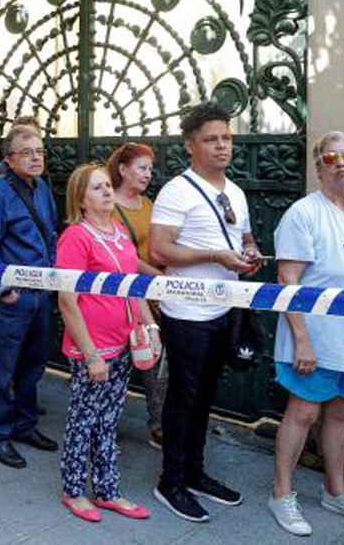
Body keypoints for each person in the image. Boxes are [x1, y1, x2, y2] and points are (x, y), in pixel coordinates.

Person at [267, 132, 344, 536]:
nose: (341, 163)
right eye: (331, 157)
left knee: (342, 413)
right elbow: (287, 279)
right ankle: (281, 494)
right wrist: (301, 339)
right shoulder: (304, 213)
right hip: (316, 337)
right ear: (319, 165)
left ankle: (335, 493)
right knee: (303, 412)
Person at [149, 102, 264, 522]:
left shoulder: (234, 191)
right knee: (184, 396)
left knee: (205, 398)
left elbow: (245, 236)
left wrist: (249, 252)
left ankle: (194, 473)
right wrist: (216, 254)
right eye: (211, 139)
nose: (221, 146)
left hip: (225, 310)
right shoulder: (176, 190)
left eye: (226, 138)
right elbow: (159, 250)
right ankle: (171, 482)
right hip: (188, 314)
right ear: (190, 145)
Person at [56, 163, 155, 521]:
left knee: (109, 419)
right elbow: (67, 301)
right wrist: (91, 355)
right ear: (81, 199)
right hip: (93, 350)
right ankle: (73, 490)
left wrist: (151, 327)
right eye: (97, 188)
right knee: (83, 418)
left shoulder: (118, 233)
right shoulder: (75, 237)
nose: (107, 191)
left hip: (123, 345)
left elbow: (131, 287)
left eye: (107, 186)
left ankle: (108, 489)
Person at [0, 125, 58, 466]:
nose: (36, 157)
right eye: (27, 152)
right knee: (1, 369)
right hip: (13, 296)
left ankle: (24, 425)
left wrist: (51, 278)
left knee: (32, 367)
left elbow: (50, 234)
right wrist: (1, 290)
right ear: (9, 158)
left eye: (39, 151)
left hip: (41, 294)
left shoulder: (42, 189)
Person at [108, 142, 167, 450]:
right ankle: (105, 427)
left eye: (149, 168)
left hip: (151, 296)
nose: (148, 174)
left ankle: (158, 425)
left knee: (155, 363)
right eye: (141, 168)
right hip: (120, 295)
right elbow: (125, 255)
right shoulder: (109, 206)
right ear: (122, 169)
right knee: (116, 364)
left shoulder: (148, 205)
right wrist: (159, 276)